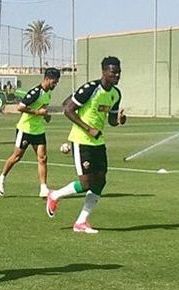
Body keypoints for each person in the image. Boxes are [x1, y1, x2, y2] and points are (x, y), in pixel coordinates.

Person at [46, 56, 126, 234]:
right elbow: (68, 109)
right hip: (81, 141)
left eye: (119, 72)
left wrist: (120, 120)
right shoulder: (91, 88)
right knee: (86, 182)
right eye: (113, 72)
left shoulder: (115, 94)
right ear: (104, 71)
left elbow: (112, 120)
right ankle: (55, 195)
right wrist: (88, 129)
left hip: (98, 142)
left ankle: (81, 221)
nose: (117, 75)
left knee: (101, 180)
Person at [0, 67, 61, 198]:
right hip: (25, 129)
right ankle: (1, 178)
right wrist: (38, 113)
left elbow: (42, 109)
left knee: (42, 158)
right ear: (47, 79)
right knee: (17, 157)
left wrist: (46, 116)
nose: (55, 84)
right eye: (54, 82)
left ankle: (43, 188)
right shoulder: (36, 92)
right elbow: (21, 107)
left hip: (39, 130)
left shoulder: (48, 93)